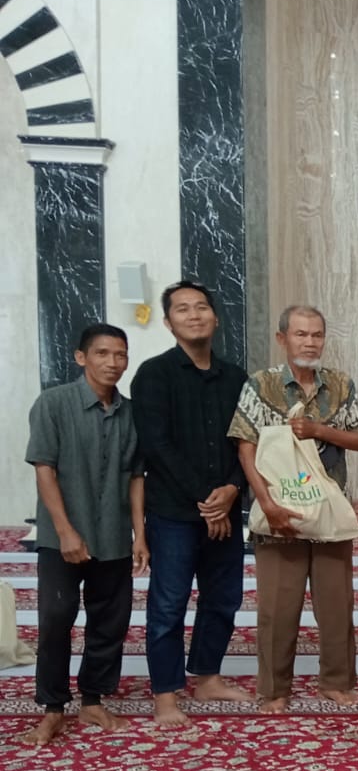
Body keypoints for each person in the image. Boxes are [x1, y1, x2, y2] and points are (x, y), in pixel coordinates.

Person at [230, 306, 358, 714]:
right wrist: (266, 504)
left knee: (336, 605)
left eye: (316, 335)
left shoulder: (340, 385)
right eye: (300, 334)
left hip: (330, 511)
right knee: (277, 608)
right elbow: (245, 446)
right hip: (280, 512)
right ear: (282, 339)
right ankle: (275, 690)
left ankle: (336, 682)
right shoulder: (262, 385)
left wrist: (319, 431)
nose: (309, 342)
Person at [130, 280, 251, 728]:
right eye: (182, 309)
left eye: (201, 307)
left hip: (225, 506)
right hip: (175, 513)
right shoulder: (153, 375)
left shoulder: (236, 377)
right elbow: (157, 446)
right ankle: (165, 693)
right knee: (168, 604)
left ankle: (208, 677)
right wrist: (208, 500)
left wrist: (232, 489)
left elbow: (248, 442)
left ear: (215, 318)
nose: (194, 315)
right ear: (168, 322)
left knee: (223, 598)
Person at [23, 324, 148, 745]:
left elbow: (136, 477)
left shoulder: (132, 413)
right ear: (81, 357)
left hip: (113, 535)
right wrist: (65, 532)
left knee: (110, 620)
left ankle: (93, 699)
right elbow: (45, 469)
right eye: (102, 353)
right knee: (56, 617)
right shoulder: (53, 404)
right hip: (62, 537)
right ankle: (53, 708)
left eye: (120, 354)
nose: (113, 362)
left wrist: (139, 535)